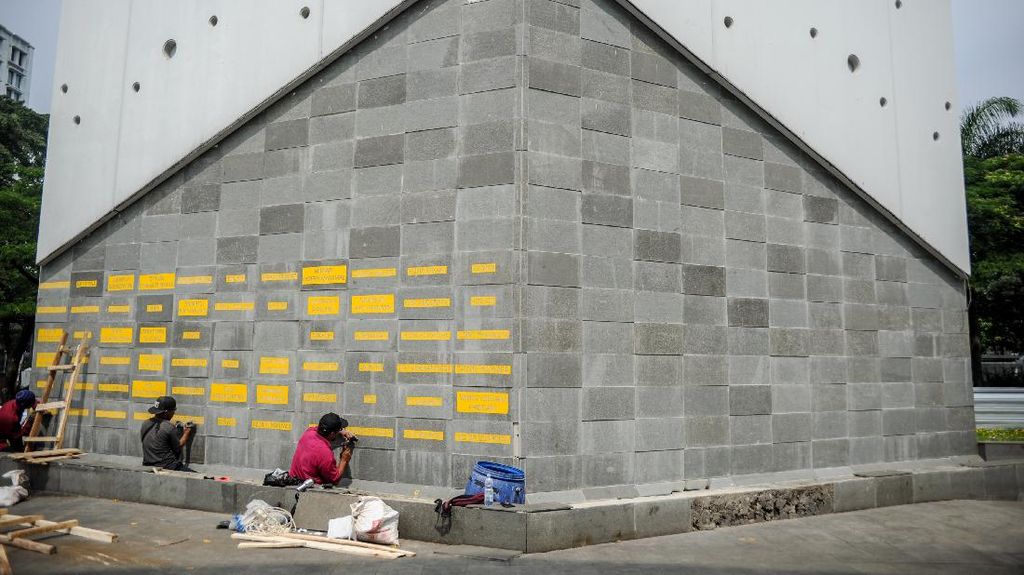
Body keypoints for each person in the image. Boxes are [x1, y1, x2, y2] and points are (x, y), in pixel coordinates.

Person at [289, 413, 357, 485]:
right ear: (332, 434)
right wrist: (344, 459)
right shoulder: (325, 454)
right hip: (309, 490)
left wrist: (340, 431)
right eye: (339, 429)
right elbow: (334, 480)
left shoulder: (308, 433)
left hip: (292, 482)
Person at [140, 396, 196, 470]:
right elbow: (178, 447)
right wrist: (186, 432)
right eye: (173, 411)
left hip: (148, 465)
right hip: (167, 466)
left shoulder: (145, 423)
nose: (173, 413)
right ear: (167, 412)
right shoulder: (168, 426)